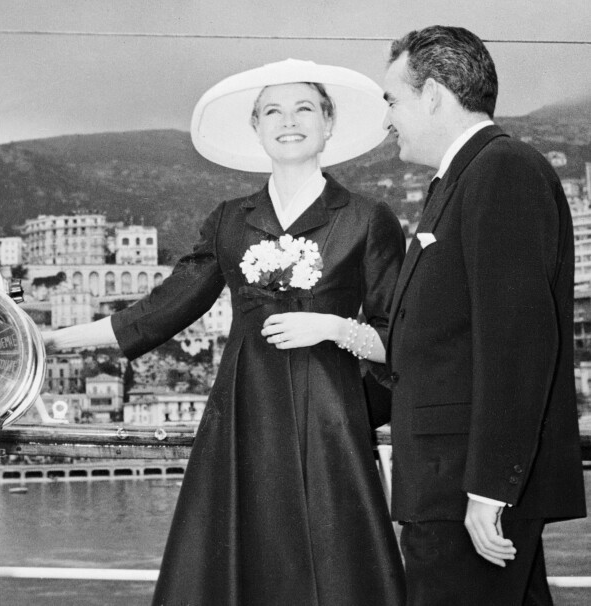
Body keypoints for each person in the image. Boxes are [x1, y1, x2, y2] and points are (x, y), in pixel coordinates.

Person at [46, 58, 406, 605]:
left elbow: (395, 338)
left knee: (337, 563)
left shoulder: (367, 217)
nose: (289, 121)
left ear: (328, 123)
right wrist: (51, 340)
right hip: (245, 411)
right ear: (256, 127)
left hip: (331, 417)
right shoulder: (229, 220)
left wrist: (332, 325)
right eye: (273, 111)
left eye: (304, 108)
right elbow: (163, 308)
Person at [383, 26, 587, 605]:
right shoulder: (460, 181)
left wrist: (489, 491)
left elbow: (519, 341)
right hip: (451, 489)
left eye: (392, 101)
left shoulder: (501, 171)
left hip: (466, 497)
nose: (387, 120)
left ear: (434, 96)